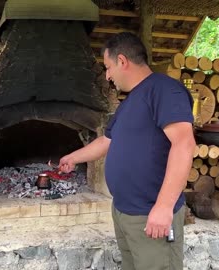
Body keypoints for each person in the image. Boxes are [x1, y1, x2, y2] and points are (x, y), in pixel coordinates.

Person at [59, 32, 195, 270]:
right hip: (124, 212)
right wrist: (73, 157)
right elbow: (107, 141)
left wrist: (163, 207)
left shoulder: (164, 90)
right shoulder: (129, 103)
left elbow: (184, 145)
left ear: (122, 61)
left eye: (108, 67)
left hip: (150, 213)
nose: (108, 75)